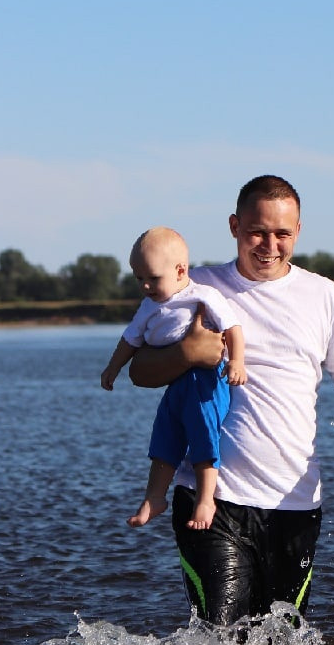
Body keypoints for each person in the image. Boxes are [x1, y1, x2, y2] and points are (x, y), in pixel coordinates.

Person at [127, 175, 334, 631]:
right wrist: (186, 353)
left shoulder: (323, 295)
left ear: (298, 231)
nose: (269, 245)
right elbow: (139, 370)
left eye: (282, 234)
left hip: (295, 501)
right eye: (257, 232)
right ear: (234, 226)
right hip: (212, 499)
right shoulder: (195, 288)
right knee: (218, 642)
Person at [101, 226, 247, 531]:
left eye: (153, 278)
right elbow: (130, 340)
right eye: (139, 278)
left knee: (204, 433)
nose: (145, 286)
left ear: (180, 271)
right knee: (165, 434)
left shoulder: (203, 296)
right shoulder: (148, 306)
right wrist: (113, 367)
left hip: (207, 381)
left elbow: (232, 328)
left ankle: (205, 499)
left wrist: (237, 362)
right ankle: (154, 497)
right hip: (177, 379)